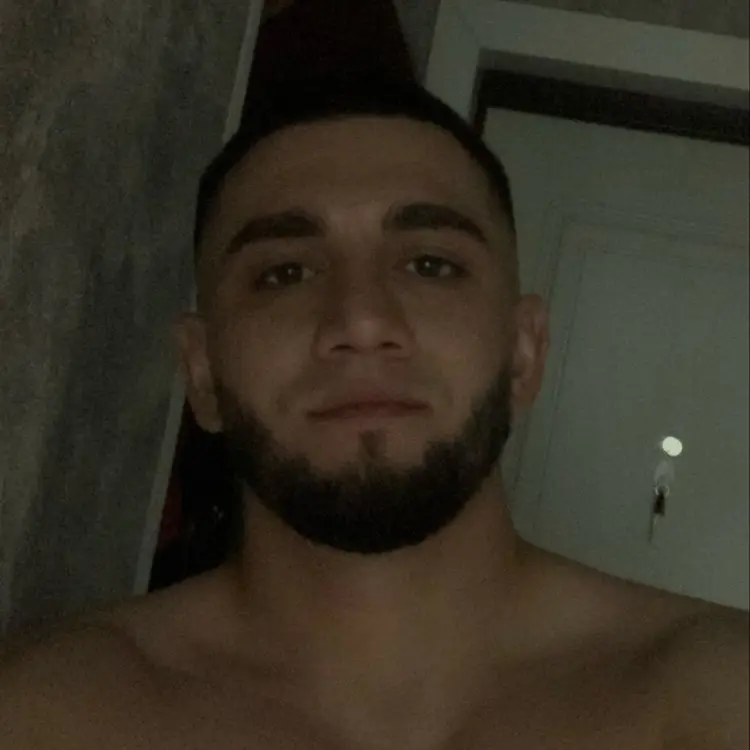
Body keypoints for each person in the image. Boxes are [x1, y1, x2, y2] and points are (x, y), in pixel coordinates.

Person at [1, 74, 747, 750]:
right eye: (284, 273)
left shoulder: (714, 695)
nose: (360, 321)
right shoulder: (44, 715)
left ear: (524, 352)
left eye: (430, 265)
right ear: (202, 372)